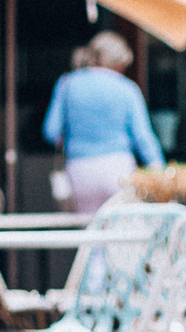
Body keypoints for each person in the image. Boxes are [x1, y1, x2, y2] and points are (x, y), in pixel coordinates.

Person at [43, 29, 163, 215]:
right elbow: (143, 137)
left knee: (89, 233)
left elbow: (51, 132)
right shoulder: (127, 88)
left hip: (80, 170)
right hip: (119, 168)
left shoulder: (67, 84)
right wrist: (159, 172)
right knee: (119, 232)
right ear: (117, 63)